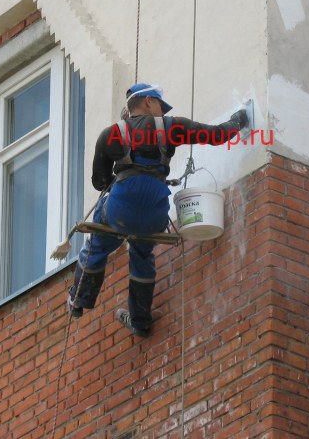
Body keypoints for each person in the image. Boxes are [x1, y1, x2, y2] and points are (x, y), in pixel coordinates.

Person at [67, 83, 249, 337]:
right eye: (160, 106)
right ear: (149, 102)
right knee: (142, 253)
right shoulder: (171, 127)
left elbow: (99, 182)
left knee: (96, 244)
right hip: (154, 215)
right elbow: (217, 135)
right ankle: (140, 321)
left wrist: (124, 165)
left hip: (120, 212)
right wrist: (240, 118)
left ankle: (79, 300)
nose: (162, 112)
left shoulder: (111, 134)